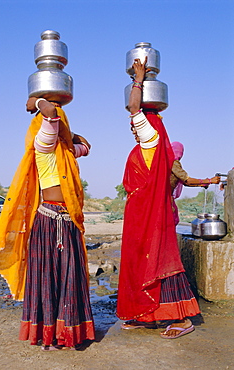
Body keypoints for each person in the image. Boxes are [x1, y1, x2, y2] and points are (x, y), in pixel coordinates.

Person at [0, 97, 95, 350]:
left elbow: (87, 146)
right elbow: (50, 114)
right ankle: (48, 334)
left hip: (68, 221)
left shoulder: (66, 151)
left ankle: (68, 332)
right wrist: (37, 101)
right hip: (47, 220)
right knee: (47, 278)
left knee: (69, 277)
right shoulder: (44, 144)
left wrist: (69, 134)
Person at [116, 57, 201, 339]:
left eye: (137, 123)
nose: (133, 126)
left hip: (152, 215)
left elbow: (132, 107)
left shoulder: (150, 137)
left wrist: (138, 78)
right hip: (141, 214)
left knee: (161, 261)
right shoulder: (148, 144)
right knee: (143, 260)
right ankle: (148, 314)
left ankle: (182, 318)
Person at [170, 141, 220, 225]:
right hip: (163, 199)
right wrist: (209, 181)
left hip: (164, 198)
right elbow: (187, 180)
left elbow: (185, 182)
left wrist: (203, 183)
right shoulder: (173, 162)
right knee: (168, 222)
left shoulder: (166, 163)